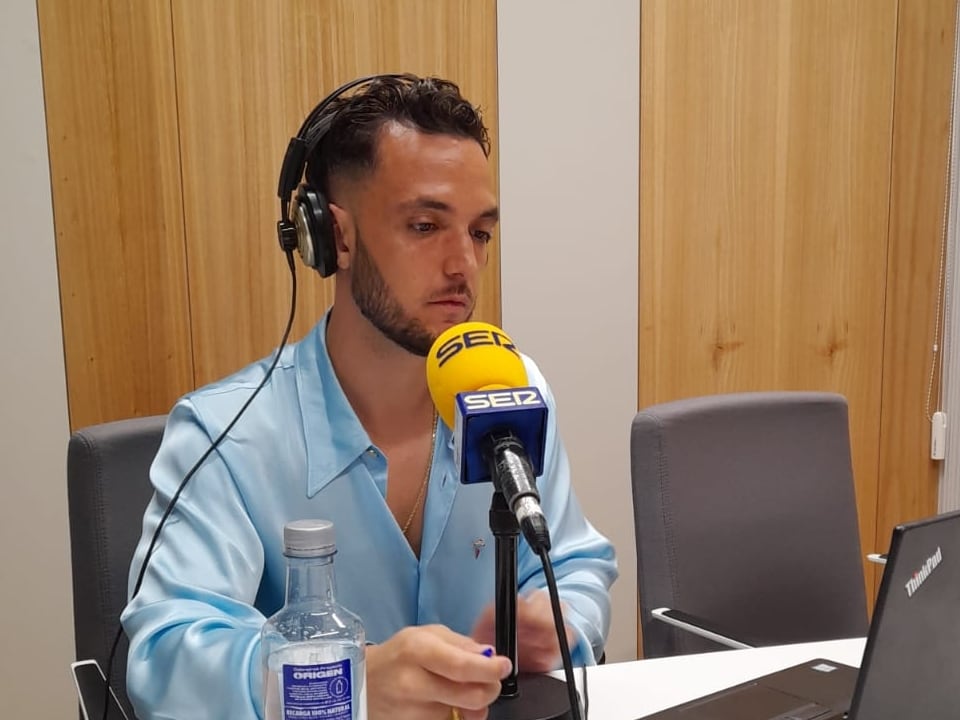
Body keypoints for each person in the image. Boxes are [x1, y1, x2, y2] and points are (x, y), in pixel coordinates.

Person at [122, 73, 618, 720]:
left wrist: (560, 623)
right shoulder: (228, 434)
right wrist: (344, 686)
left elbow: (578, 562)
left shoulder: (509, 391)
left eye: (480, 233)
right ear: (334, 237)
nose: (463, 264)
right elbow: (166, 657)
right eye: (424, 225)